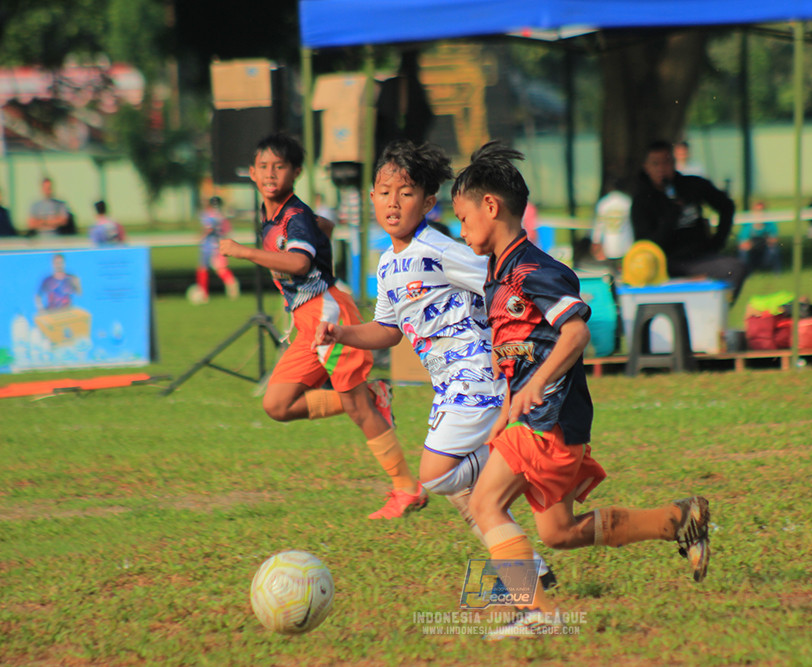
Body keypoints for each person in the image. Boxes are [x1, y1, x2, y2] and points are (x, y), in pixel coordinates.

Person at [452, 141, 710, 640]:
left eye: (463, 218)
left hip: (548, 420)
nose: (461, 231)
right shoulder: (499, 273)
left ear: (491, 206)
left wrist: (533, 392)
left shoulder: (531, 269)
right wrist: (509, 404)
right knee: (558, 532)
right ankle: (678, 519)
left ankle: (538, 614)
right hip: (540, 418)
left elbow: (575, 332)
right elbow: (520, 350)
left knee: (485, 504)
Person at [312, 139, 556, 587]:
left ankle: (518, 459)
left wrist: (518, 330)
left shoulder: (438, 248)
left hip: (478, 376)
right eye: (384, 192)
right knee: (462, 492)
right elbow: (387, 330)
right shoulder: (387, 264)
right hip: (449, 387)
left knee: (436, 475)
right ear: (370, 198)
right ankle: (527, 570)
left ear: (426, 202)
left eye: (405, 194)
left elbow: (497, 274)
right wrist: (342, 333)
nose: (393, 202)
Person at [220, 133, 425, 520]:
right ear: (251, 173)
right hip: (306, 321)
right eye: (263, 166)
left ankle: (406, 488)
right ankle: (372, 394)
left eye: (279, 166)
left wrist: (244, 252)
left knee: (357, 408)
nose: (270, 173)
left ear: (296, 172)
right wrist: (319, 236)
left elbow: (298, 263)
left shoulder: (293, 216)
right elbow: (325, 226)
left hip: (327, 315)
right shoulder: (280, 215)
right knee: (276, 405)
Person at [630, 140, 747, 302]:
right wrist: (671, 216)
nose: (661, 169)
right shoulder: (642, 200)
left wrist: (718, 240)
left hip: (699, 256)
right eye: (655, 164)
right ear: (646, 167)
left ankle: (718, 310)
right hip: (667, 262)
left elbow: (726, 205)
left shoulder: (691, 185)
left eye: (666, 162)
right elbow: (645, 244)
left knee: (735, 268)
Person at [194, 196, 240, 301]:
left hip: (209, 246)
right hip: (219, 244)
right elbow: (227, 229)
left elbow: (209, 228)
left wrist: (201, 236)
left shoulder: (209, 215)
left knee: (206, 268)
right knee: (218, 267)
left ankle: (204, 293)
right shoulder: (221, 215)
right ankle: (231, 285)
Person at [589, 180, 634, 273]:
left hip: (608, 243)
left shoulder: (603, 203)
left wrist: (596, 241)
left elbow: (598, 225)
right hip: (626, 243)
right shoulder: (627, 201)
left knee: (610, 270)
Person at [737, 201, 781, 274]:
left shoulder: (769, 223)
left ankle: (776, 273)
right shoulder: (748, 224)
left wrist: (767, 241)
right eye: (757, 211)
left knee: (774, 250)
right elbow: (742, 242)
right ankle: (746, 272)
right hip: (752, 248)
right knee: (743, 252)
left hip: (765, 247)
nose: (759, 214)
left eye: (761, 211)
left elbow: (774, 238)